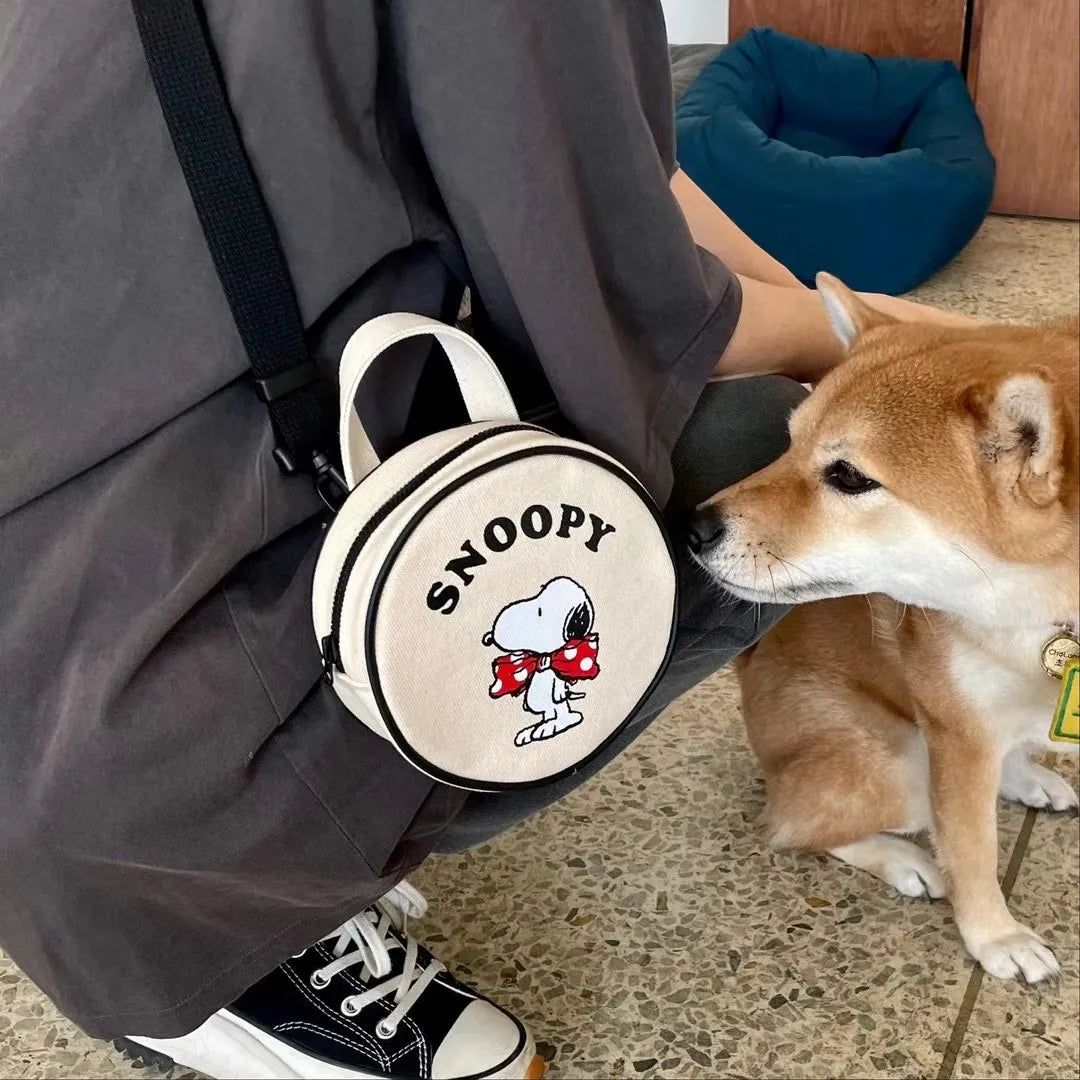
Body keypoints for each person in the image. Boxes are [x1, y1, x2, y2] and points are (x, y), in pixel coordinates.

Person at [0, 3, 974, 1078]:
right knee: (751, 454)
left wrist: (838, 320)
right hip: (116, 735)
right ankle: (243, 917)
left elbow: (617, 171)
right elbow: (623, 295)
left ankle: (232, 850)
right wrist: (889, 338)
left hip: (42, 537)